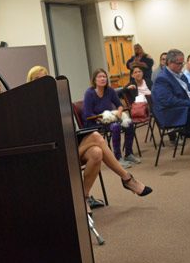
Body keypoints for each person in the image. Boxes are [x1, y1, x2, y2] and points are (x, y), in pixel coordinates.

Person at [26, 66, 152, 212]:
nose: (42, 82)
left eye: (45, 78)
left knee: (97, 152)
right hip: (54, 152)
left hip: (71, 144)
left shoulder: (56, 100)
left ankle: (84, 197)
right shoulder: (32, 106)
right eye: (38, 79)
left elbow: (70, 128)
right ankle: (127, 178)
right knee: (97, 137)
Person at [82, 68, 139, 167]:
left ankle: (128, 154)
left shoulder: (110, 90)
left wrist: (120, 112)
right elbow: (87, 114)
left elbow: (119, 105)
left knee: (129, 124)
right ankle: (117, 158)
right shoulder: (89, 93)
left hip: (110, 119)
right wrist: (101, 118)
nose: (103, 79)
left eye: (104, 77)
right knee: (115, 127)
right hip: (95, 122)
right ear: (94, 80)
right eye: (100, 77)